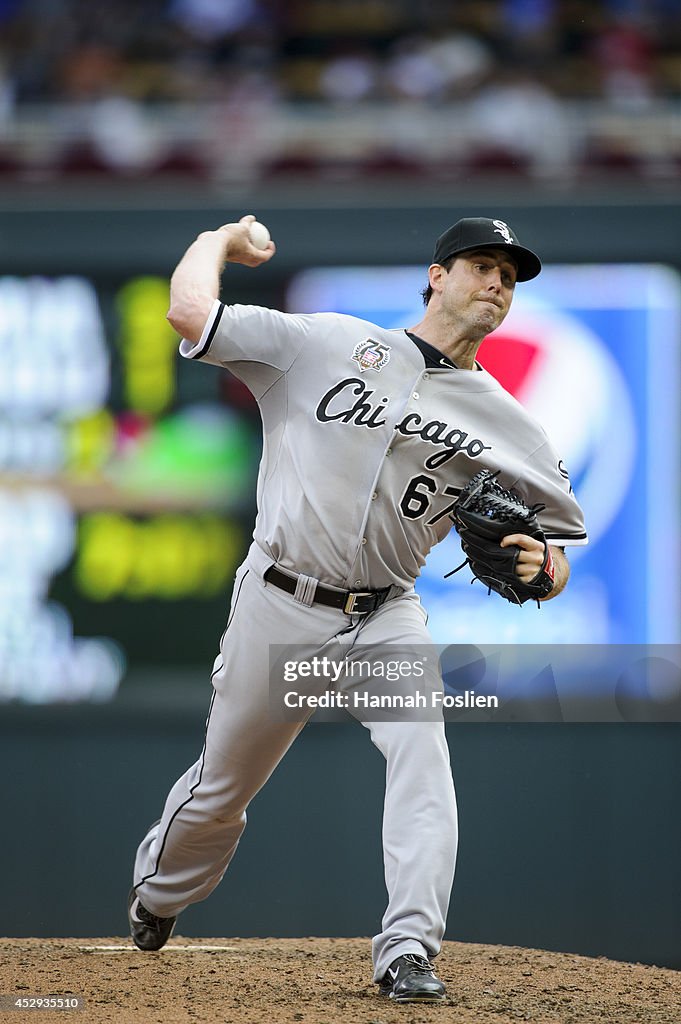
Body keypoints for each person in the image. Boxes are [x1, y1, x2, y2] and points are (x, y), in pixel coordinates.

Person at [128, 214, 587, 1003]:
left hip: (385, 616)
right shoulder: (326, 344)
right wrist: (217, 241)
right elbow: (189, 316)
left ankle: (407, 947)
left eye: (509, 278)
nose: (497, 285)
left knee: (422, 760)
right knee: (221, 792)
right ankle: (159, 898)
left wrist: (542, 568)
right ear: (436, 275)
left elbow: (556, 556)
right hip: (280, 602)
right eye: (482, 265)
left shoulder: (508, 422)